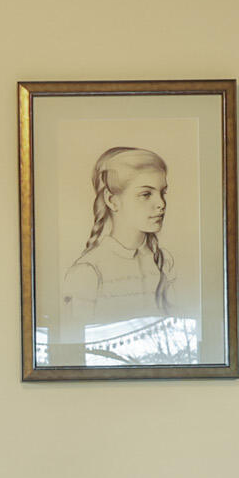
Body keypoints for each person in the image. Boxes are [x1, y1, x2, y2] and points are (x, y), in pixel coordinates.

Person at [56, 146, 175, 360]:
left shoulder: (162, 261)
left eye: (162, 192)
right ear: (112, 201)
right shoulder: (88, 271)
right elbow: (76, 350)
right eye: (146, 194)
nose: (161, 204)